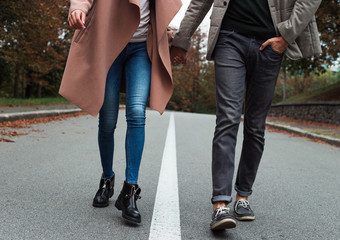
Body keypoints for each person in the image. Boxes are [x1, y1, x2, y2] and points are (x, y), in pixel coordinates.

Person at [171, 0, 322, 231]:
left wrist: (287, 36)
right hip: (229, 39)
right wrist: (182, 40)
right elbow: (199, 3)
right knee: (227, 118)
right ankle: (220, 204)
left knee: (255, 126)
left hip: (270, 43)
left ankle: (243, 197)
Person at [60, 0, 182, 224]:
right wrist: (77, 7)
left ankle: (130, 189)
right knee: (107, 119)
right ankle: (107, 179)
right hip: (110, 45)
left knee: (136, 112)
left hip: (141, 48)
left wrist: (174, 37)